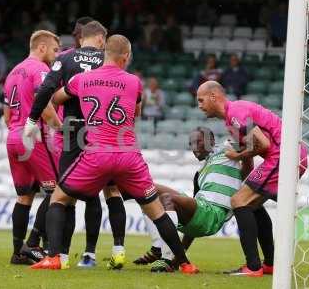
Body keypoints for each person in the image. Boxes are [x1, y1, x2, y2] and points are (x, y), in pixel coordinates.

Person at [26, 34, 198, 274]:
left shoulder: (82, 79)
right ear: (126, 57)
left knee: (58, 199)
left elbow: (56, 97)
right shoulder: (134, 82)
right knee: (156, 211)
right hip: (128, 156)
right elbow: (136, 112)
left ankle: (54, 257)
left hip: (96, 155)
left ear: (104, 53)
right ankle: (185, 263)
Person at [25, 20, 127, 269]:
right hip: (104, 131)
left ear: (82, 37)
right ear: (102, 39)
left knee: (65, 194)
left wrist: (32, 119)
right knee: (103, 192)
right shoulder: (109, 59)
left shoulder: (67, 58)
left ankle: (60, 255)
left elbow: (47, 87)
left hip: (73, 129)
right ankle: (95, 253)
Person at [196, 80, 308, 277]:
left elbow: (263, 145)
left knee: (238, 201)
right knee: (250, 205)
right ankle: (270, 265)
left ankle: (253, 267)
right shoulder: (232, 119)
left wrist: (236, 156)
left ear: (214, 96)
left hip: (283, 156)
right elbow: (251, 154)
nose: (199, 105)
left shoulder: (235, 114)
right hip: (288, 156)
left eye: (201, 100)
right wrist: (243, 176)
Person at [136, 127, 248, 272]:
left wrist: (247, 162)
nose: (194, 147)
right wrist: (179, 256)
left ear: (212, 140)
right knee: (147, 189)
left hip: (213, 214)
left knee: (167, 198)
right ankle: (164, 252)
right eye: (191, 144)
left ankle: (164, 257)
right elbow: (193, 222)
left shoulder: (226, 148)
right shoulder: (200, 173)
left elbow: (251, 141)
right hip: (201, 213)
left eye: (198, 141)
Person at [3, 30, 62, 265]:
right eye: (55, 49)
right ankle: (33, 244)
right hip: (33, 136)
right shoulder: (41, 70)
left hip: (13, 137)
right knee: (57, 191)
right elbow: (45, 107)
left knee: (25, 197)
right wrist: (61, 129)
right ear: (42, 48)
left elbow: (7, 115)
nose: (57, 55)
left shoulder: (12, 72)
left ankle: (18, 252)